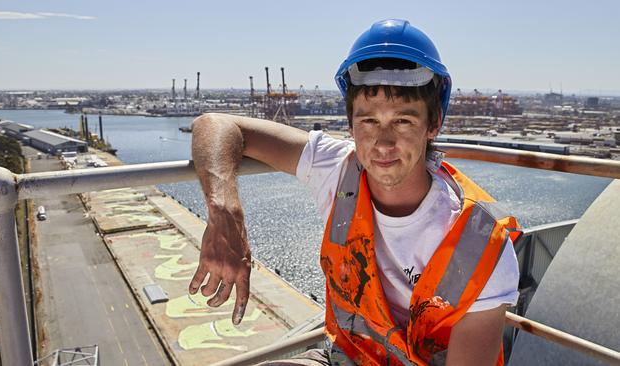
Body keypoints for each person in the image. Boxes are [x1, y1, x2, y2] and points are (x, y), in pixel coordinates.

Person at [189, 19, 521, 366]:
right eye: (369, 121)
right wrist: (224, 213)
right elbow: (215, 125)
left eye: (403, 121)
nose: (383, 142)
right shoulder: (337, 169)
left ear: (433, 125)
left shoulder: (481, 245)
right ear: (350, 125)